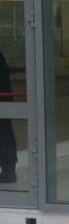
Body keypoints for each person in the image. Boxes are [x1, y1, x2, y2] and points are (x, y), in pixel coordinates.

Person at [0, 50, 17, 183]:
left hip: (2, 101)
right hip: (4, 100)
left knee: (4, 134)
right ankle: (9, 170)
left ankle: (8, 171)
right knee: (5, 134)